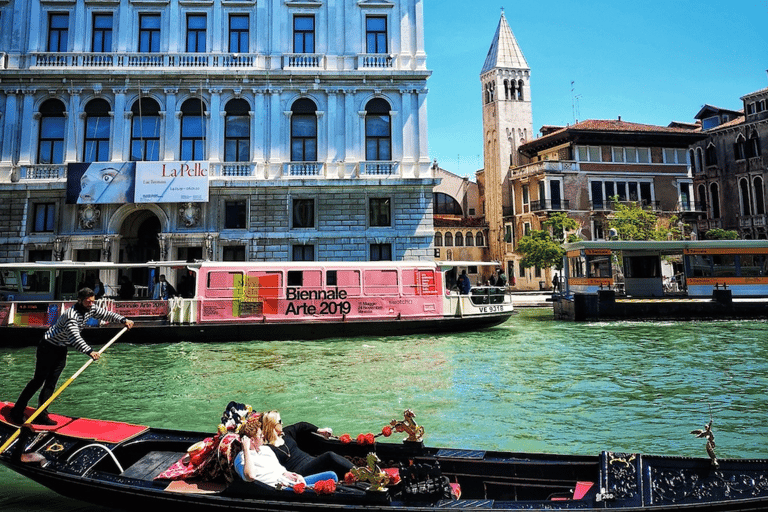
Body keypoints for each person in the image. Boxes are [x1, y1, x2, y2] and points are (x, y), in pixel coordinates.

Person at [9, 287, 134, 426]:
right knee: (38, 381)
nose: (91, 304)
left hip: (61, 349)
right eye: (88, 302)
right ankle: (17, 410)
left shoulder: (91, 308)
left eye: (93, 301)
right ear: (80, 301)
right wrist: (89, 351)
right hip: (47, 347)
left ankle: (41, 414)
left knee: (51, 383)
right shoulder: (71, 315)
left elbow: (105, 314)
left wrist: (123, 319)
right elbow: (75, 338)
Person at [234, 415, 337, 489]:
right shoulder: (242, 458)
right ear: (251, 440)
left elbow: (280, 470)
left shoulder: (266, 449)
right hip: (280, 490)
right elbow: (250, 477)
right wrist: (246, 449)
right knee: (328, 486)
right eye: (260, 436)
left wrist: (293, 475)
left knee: (332, 476)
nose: (263, 437)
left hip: (289, 482)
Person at [261, 410, 353, 480]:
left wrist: (319, 430)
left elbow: (302, 425)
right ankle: (359, 472)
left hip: (310, 460)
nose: (282, 423)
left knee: (333, 464)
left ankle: (355, 476)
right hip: (300, 471)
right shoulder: (268, 448)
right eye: (280, 421)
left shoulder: (286, 433)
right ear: (273, 425)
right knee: (329, 456)